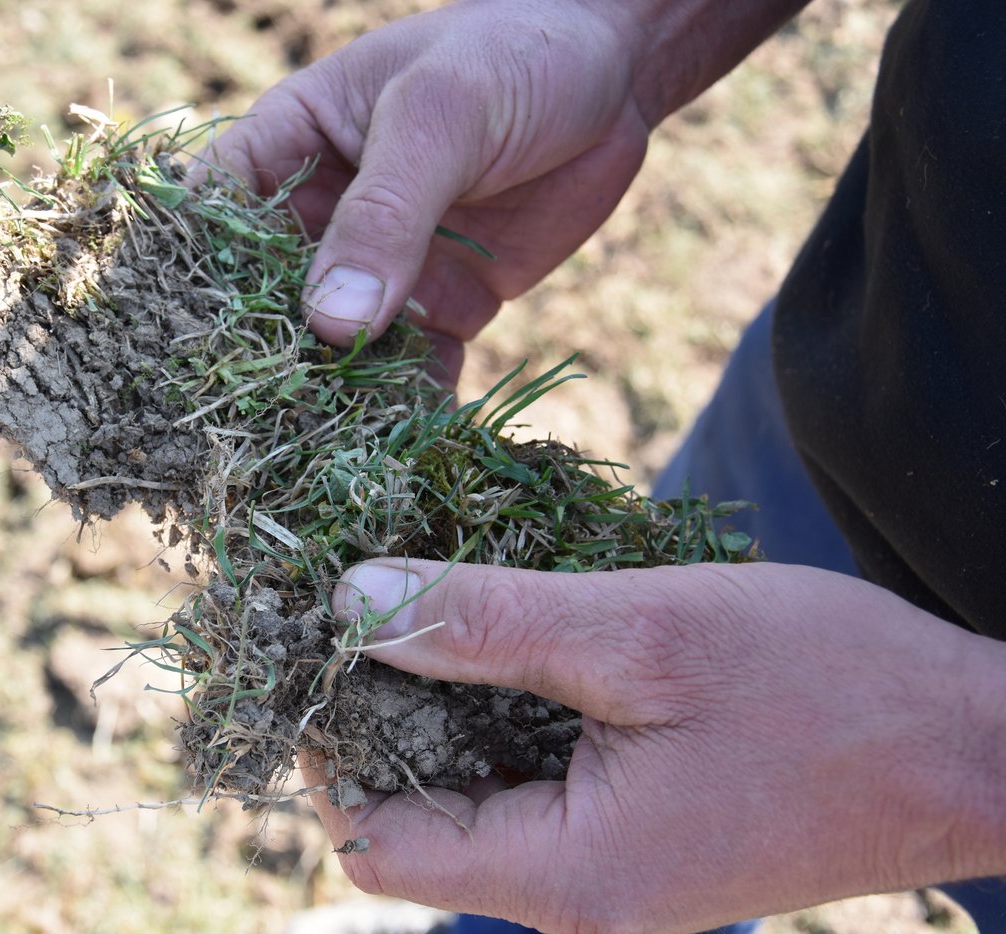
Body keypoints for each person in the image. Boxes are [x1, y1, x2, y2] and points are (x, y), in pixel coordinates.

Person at [201, 0, 1006, 931]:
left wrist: (956, 760)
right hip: (878, 350)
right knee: (597, 734)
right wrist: (624, 32)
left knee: (668, 820)